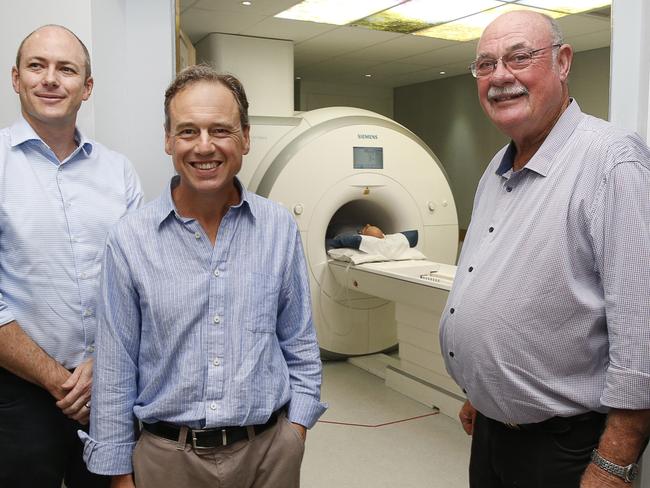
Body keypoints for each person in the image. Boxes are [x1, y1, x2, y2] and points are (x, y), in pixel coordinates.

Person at [81, 65, 326, 488]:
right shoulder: (130, 239)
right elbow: (115, 370)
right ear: (167, 140)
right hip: (167, 459)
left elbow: (298, 340)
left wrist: (296, 431)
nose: (204, 146)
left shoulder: (278, 227)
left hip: (268, 454)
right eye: (188, 131)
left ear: (245, 138)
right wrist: (119, 474)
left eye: (221, 130)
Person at [439, 11, 650, 488]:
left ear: (563, 62)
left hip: (566, 449)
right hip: (492, 431)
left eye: (519, 57)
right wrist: (485, 387)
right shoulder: (499, 165)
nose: (500, 77)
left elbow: (642, 334)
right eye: (486, 64)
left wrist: (614, 463)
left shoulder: (613, 162)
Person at [0, 25, 143, 488]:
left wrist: (104, 364)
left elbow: (144, 282)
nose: (51, 79)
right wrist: (56, 379)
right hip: (17, 393)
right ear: (16, 78)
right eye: (37, 66)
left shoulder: (119, 172)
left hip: (111, 386)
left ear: (87, 86)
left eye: (67, 69)